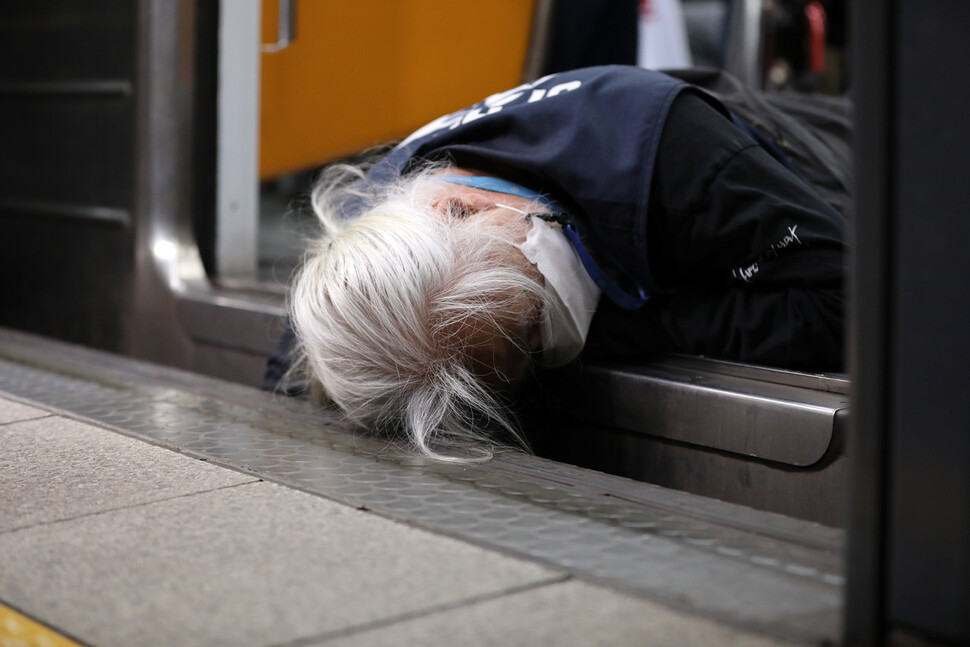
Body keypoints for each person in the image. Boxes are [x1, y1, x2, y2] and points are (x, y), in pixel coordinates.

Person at [265, 65, 848, 460]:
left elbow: (844, 306)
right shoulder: (365, 257)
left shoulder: (661, 153)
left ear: (463, 205)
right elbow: (291, 386)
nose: (546, 350)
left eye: (531, 323)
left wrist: (624, 329)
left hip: (828, 152)